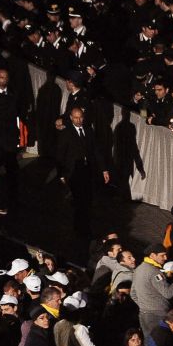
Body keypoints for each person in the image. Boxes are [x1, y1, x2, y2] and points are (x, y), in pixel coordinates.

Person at [53, 103, 107, 247]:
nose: (78, 120)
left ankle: (84, 228)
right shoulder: (66, 133)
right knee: (79, 201)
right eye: (75, 118)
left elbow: (96, 151)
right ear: (71, 118)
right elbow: (60, 155)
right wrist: (62, 174)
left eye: (80, 118)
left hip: (87, 171)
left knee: (87, 201)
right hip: (73, 173)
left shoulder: (88, 130)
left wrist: (104, 169)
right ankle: (80, 229)